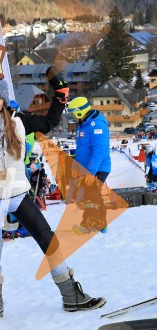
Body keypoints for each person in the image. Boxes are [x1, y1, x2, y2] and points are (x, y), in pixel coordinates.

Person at [0, 77, 106, 320]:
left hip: (18, 194)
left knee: (49, 240)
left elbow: (48, 121)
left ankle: (71, 295)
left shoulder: (18, 121)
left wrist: (59, 98)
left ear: (3, 100)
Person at [67, 97, 111, 234]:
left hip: (98, 167)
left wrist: (91, 172)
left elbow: (99, 151)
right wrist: (75, 167)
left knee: (90, 195)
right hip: (86, 168)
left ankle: (87, 225)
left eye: (74, 113)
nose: (73, 116)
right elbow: (81, 150)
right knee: (94, 194)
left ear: (80, 112)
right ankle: (101, 224)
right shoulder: (83, 124)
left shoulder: (97, 125)